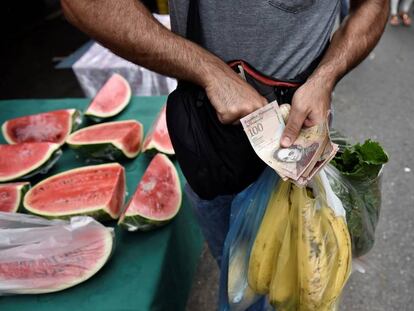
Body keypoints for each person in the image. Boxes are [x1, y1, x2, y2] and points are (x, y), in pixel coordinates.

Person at [61, 1, 388, 309]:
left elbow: (374, 5)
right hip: (212, 142)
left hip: (304, 135)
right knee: (240, 275)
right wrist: (210, 71)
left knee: (304, 279)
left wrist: (325, 78)